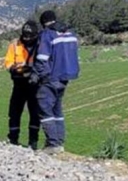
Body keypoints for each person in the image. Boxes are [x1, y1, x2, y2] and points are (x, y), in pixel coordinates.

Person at [32, 10, 80, 154]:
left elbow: (42, 58)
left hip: (51, 77)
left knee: (45, 109)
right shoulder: (70, 33)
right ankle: (59, 142)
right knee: (57, 109)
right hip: (66, 77)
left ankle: (53, 144)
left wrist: (37, 76)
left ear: (43, 22)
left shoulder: (47, 34)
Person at [4, 20, 41, 149]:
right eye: (25, 36)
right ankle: (13, 138)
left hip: (34, 84)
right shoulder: (15, 44)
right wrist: (13, 69)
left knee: (35, 113)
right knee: (14, 111)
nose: (27, 38)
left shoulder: (40, 45)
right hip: (19, 83)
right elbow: (8, 62)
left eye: (30, 36)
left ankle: (33, 141)